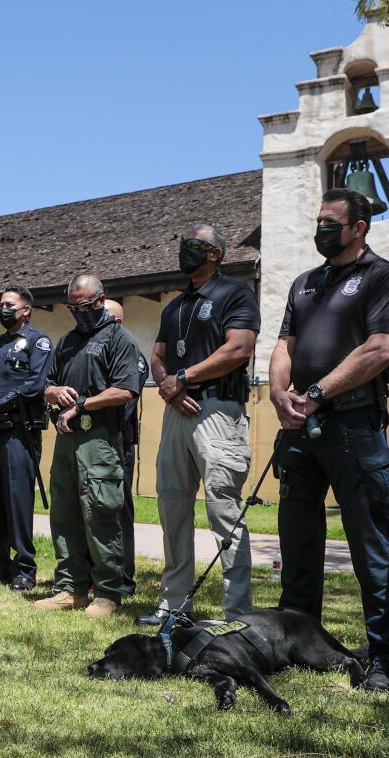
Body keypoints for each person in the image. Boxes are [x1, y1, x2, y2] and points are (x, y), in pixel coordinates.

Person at [265, 189, 389, 691]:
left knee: (370, 547)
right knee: (297, 542)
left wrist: (318, 392)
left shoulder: (381, 277)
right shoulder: (305, 284)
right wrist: (279, 393)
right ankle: (297, 643)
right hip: (300, 430)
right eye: (319, 220)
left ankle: (387, 659)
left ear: (359, 227)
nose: (321, 228)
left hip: (353, 427)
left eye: (332, 221)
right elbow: (285, 345)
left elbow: (381, 348)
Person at [137, 223, 258, 627]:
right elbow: (157, 355)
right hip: (177, 413)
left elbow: (239, 348)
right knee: (172, 509)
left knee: (224, 510)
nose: (184, 250)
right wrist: (169, 388)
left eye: (194, 245)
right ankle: (174, 604)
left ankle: (237, 614)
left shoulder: (235, 293)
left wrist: (184, 377)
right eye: (183, 243)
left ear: (214, 254)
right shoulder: (175, 305)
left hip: (217, 413)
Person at [34, 274, 140, 620]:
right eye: (73, 308)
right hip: (68, 439)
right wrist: (53, 393)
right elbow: (46, 384)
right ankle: (71, 588)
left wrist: (81, 403)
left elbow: (125, 390)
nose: (79, 313)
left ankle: (108, 592)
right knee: (64, 513)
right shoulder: (67, 341)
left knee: (99, 515)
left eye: (85, 307)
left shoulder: (118, 339)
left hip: (100, 438)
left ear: (100, 300)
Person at [0, 285, 52, 590]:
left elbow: (35, 384)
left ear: (25, 310)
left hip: (18, 433)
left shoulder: (38, 341)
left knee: (17, 501)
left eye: (9, 304)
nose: (3, 309)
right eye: (1, 304)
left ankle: (25, 569)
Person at [103, 298, 148, 598]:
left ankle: (123, 579)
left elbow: (125, 402)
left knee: (118, 510)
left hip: (118, 440)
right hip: (92, 440)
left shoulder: (132, 353)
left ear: (117, 322)